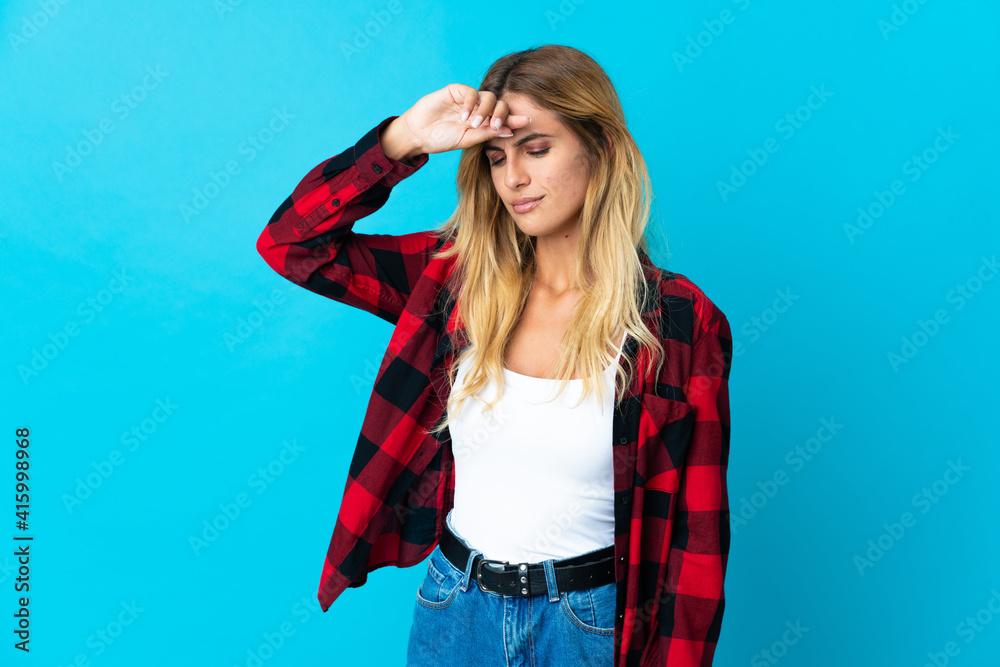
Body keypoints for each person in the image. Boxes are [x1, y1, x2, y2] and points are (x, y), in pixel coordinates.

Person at [256, 44, 733, 667]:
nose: (514, 179)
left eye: (537, 149)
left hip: (588, 626)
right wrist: (402, 139)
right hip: (456, 611)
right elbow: (294, 244)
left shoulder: (678, 323)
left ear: (602, 150)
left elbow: (697, 546)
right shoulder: (454, 282)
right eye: (496, 157)